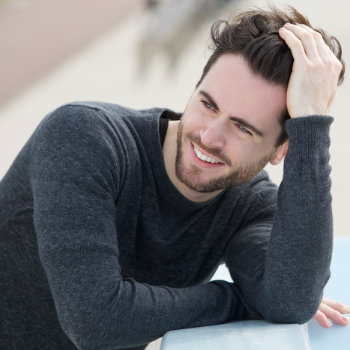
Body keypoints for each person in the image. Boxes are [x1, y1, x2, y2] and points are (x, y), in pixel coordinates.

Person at [1, 5, 349, 350]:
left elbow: (290, 300)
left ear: (280, 150)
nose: (209, 137)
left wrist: (311, 129)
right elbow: (95, 320)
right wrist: (234, 300)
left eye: (242, 128)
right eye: (208, 105)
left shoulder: (248, 205)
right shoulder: (81, 138)